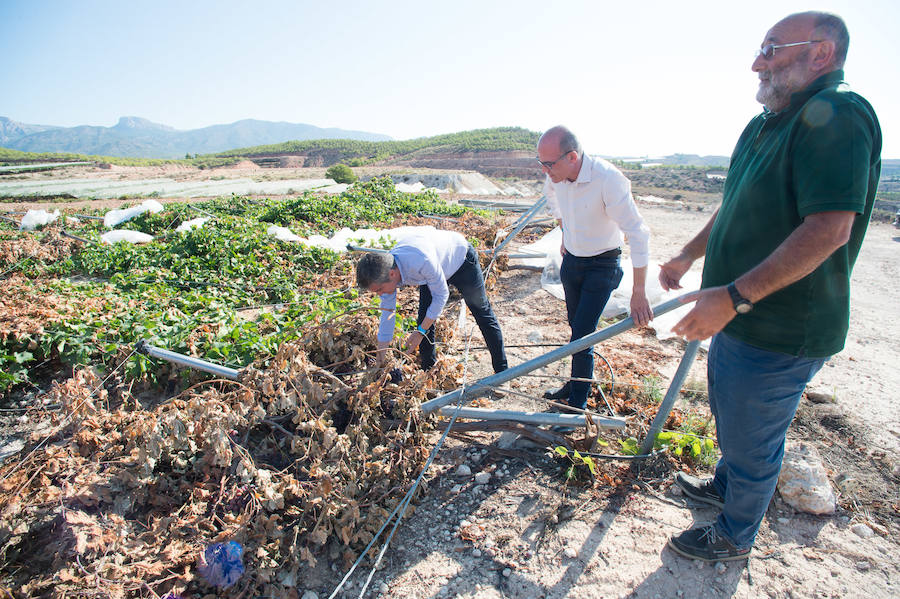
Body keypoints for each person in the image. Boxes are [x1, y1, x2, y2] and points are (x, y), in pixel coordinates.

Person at [660, 11, 881, 562]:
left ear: (821, 53)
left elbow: (830, 229)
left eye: (771, 49)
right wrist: (689, 254)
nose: (756, 62)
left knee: (754, 437)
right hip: (739, 315)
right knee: (733, 416)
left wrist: (733, 296)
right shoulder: (767, 123)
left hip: (781, 327)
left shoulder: (840, 116)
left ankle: (735, 534)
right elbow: (734, 204)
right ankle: (726, 489)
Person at [537, 126, 653, 411]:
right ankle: (576, 384)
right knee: (576, 329)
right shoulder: (556, 176)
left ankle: (577, 406)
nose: (545, 170)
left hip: (602, 265)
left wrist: (639, 292)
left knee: (583, 336)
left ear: (573, 157)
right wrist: (565, 231)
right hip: (572, 262)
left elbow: (639, 234)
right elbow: (553, 200)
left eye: (549, 164)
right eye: (541, 163)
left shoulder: (608, 180)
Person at [356, 227, 508, 374]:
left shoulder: (420, 261)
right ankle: (429, 371)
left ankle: (502, 371)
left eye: (379, 290)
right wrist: (381, 358)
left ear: (392, 274)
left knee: (482, 313)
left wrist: (420, 332)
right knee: (425, 318)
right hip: (435, 267)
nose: (379, 294)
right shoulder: (386, 271)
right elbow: (387, 316)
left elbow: (441, 295)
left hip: (461, 261)